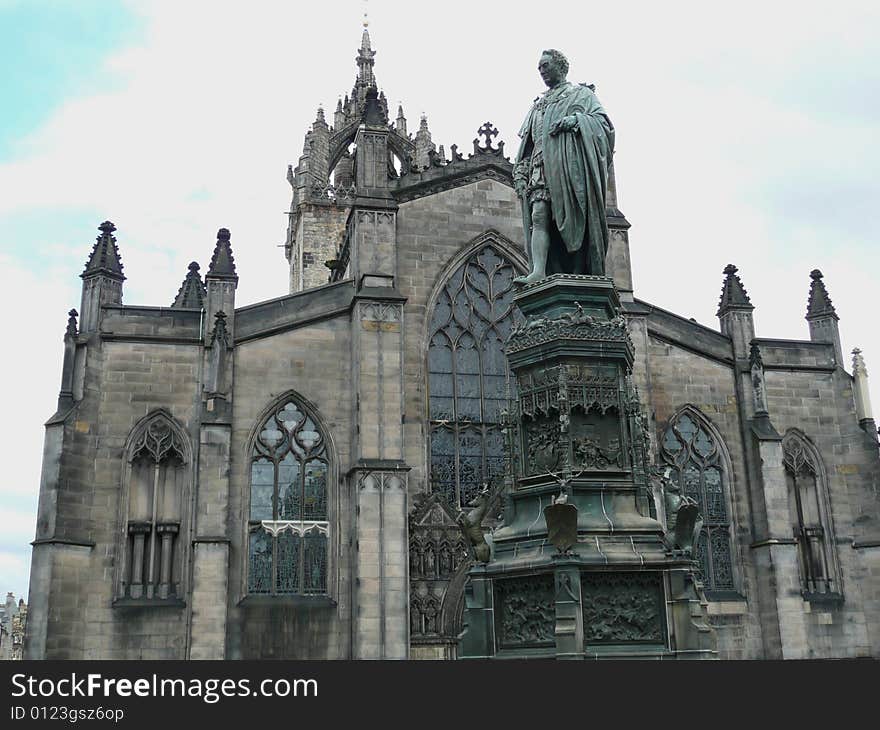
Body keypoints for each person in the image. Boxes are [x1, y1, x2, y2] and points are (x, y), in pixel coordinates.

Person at [513, 49, 615, 285]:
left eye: (545, 65)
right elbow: (527, 144)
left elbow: (604, 126)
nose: (541, 70)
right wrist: (520, 171)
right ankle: (538, 271)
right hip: (540, 166)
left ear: (560, 66)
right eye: (539, 67)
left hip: (568, 169)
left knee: (571, 221)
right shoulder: (537, 106)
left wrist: (576, 121)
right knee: (539, 215)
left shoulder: (581, 94)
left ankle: (579, 271)